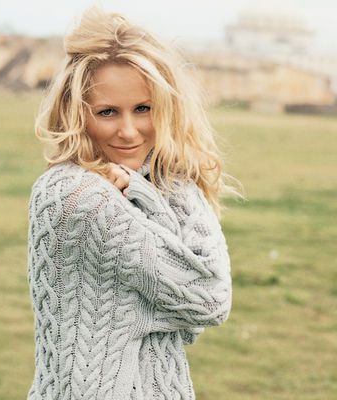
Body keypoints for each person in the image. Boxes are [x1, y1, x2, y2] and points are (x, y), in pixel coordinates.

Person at [27, 5, 242, 400]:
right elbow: (209, 298)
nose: (129, 131)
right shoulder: (74, 195)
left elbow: (203, 297)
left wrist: (145, 189)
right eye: (107, 112)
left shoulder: (160, 184)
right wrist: (149, 196)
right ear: (78, 115)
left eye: (143, 108)